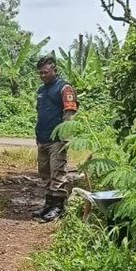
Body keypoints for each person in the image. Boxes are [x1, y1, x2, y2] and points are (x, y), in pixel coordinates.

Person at [33, 55, 78, 222]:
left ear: (54, 70)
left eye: (45, 72)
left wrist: (65, 136)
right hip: (43, 137)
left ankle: (58, 207)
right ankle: (48, 203)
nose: (43, 75)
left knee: (58, 172)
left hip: (57, 138)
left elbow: (70, 112)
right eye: (40, 73)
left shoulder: (64, 88)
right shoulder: (41, 90)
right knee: (44, 172)